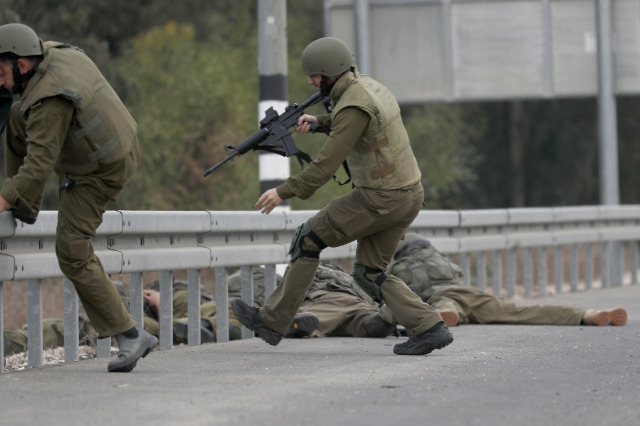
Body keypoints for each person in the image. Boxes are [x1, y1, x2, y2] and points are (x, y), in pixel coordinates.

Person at [232, 36, 453, 356]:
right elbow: (357, 123)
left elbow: (323, 167)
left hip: (381, 197)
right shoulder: (367, 87)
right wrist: (320, 122)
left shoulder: (352, 103)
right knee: (369, 273)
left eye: (315, 76)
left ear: (332, 73)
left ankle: (272, 321)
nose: (310, 81)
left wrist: (283, 191)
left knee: (308, 239)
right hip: (408, 195)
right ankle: (430, 327)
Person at [0, 23, 156, 372]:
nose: (0, 81)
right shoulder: (53, 51)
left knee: (71, 251)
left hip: (100, 170)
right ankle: (25, 204)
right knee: (14, 116)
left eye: (1, 72)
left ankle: (130, 335)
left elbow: (37, 168)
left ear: (21, 65)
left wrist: (1, 202)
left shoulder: (48, 101)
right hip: (117, 142)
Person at [389, 233, 628, 327]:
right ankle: (587, 314)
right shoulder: (436, 257)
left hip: (441, 296)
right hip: (470, 293)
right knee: (522, 311)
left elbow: (399, 296)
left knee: (446, 306)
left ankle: (439, 317)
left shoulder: (398, 265)